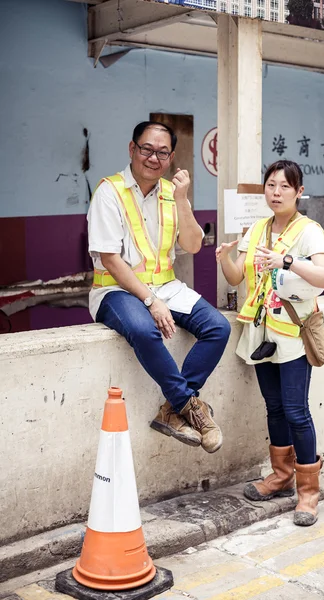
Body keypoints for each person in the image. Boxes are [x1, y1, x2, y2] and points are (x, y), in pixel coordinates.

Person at [88, 121, 230, 454]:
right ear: (132, 149)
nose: (154, 158)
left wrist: (182, 198)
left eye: (162, 152)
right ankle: (191, 408)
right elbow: (110, 259)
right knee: (143, 328)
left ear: (171, 157)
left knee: (218, 327)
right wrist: (151, 301)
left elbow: (194, 245)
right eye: (147, 149)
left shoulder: (171, 193)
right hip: (115, 291)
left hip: (166, 286)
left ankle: (171, 410)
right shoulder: (109, 191)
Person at [216, 160, 324, 526]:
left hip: (294, 334)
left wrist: (287, 260)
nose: (276, 192)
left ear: (299, 192)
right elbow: (238, 276)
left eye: (285, 186)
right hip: (261, 332)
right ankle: (281, 475)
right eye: (271, 185)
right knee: (273, 408)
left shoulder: (309, 231)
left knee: (296, 410)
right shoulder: (257, 229)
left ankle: (308, 492)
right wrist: (224, 259)